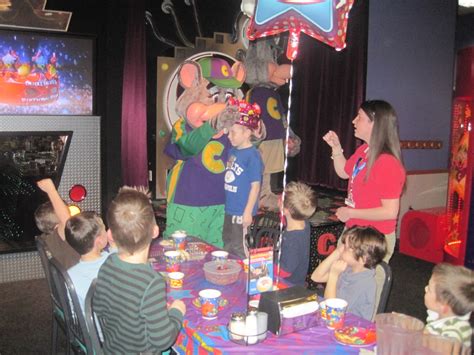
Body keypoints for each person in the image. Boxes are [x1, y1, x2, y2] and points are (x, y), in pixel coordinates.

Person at [94, 187, 186, 353]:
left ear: (110, 235)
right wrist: (176, 312)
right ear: (155, 231)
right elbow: (163, 340)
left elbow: (99, 309)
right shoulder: (152, 283)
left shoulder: (107, 264)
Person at [323, 100, 406, 262]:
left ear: (375, 124)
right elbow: (344, 172)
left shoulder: (387, 162)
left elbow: (389, 211)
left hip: (373, 239)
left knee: (362, 286)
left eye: (359, 117)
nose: (354, 121)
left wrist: (350, 212)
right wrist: (336, 147)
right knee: (339, 281)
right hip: (355, 230)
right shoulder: (364, 150)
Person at [311, 226, 387, 320]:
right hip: (336, 321)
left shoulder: (365, 283)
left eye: (347, 248)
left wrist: (333, 276)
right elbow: (316, 277)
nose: (342, 249)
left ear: (363, 258)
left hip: (351, 328)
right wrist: (338, 252)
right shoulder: (349, 268)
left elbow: (333, 310)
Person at [223, 100, 264, 258]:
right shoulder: (233, 151)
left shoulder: (252, 156)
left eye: (233, 132)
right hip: (230, 209)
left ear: (247, 133)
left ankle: (245, 278)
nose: (229, 135)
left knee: (240, 248)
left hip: (241, 211)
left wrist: (247, 212)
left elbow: (255, 186)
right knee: (227, 242)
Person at [65, 211, 115, 314]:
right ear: (99, 241)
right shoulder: (114, 262)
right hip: (110, 327)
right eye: (104, 229)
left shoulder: (69, 275)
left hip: (87, 327)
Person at [424, 263, 473, 348]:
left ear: (444, 307)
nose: (425, 288)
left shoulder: (452, 336)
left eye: (429, 290)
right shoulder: (442, 314)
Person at [277, 181, 317, 286]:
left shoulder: (293, 239)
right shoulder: (303, 221)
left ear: (286, 210)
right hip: (296, 279)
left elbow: (285, 271)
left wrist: (266, 267)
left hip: (288, 285)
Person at [35, 178, 80, 269]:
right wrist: (51, 190)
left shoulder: (46, 238)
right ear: (57, 227)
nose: (70, 215)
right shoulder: (58, 238)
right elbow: (66, 221)